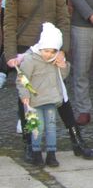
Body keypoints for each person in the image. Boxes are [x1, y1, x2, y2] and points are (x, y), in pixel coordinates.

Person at [4, 0, 93, 162]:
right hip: (25, 49)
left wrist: (62, 50)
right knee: (26, 99)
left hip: (50, 48)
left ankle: (77, 140)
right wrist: (10, 54)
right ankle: (30, 144)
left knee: (61, 97)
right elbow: (9, 24)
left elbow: (64, 17)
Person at [17, 23, 69, 167]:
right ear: (41, 47)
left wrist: (63, 65)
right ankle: (36, 153)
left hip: (51, 100)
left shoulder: (55, 61)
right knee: (36, 128)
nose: (49, 55)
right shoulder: (30, 60)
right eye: (46, 51)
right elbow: (22, 79)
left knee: (51, 127)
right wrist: (25, 94)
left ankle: (51, 154)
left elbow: (62, 77)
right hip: (33, 102)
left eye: (53, 52)